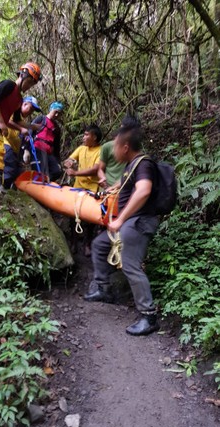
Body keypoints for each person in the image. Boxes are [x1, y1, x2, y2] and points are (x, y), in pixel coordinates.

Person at [84, 125, 160, 336]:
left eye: (115, 145)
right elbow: (126, 183)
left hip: (138, 222)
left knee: (130, 265)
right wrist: (112, 187)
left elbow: (143, 191)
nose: (112, 150)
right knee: (99, 245)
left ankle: (149, 315)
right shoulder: (132, 166)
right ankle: (103, 289)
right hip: (130, 221)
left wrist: (121, 220)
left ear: (125, 147)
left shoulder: (143, 164)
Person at [0, 62, 43, 190]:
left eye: (31, 84)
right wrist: (2, 122)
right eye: (29, 81)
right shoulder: (8, 85)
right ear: (22, 75)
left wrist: (32, 127)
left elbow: (17, 121)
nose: (29, 86)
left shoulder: (19, 100)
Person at [64, 124, 102, 256]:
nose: (83, 137)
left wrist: (75, 173)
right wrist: (68, 162)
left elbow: (95, 169)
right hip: (78, 186)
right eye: (84, 134)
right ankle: (73, 243)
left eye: (86, 135)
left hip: (93, 187)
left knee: (90, 219)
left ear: (94, 137)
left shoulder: (100, 150)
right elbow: (69, 159)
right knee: (73, 215)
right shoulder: (81, 149)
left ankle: (87, 244)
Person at [3, 96, 42, 189]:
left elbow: (26, 126)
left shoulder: (21, 119)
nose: (30, 112)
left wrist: (32, 128)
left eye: (33, 110)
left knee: (16, 170)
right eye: (30, 108)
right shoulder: (13, 111)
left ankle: (12, 187)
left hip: (14, 149)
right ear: (24, 104)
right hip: (5, 144)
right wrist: (22, 129)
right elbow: (6, 120)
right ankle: (5, 188)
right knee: (9, 168)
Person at [26, 101, 64, 181]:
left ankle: (45, 182)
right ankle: (37, 183)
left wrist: (58, 161)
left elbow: (56, 147)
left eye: (59, 113)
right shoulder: (41, 119)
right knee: (39, 170)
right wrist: (26, 150)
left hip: (49, 153)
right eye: (55, 112)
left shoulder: (56, 128)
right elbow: (29, 133)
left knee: (57, 171)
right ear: (51, 110)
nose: (57, 115)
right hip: (37, 150)